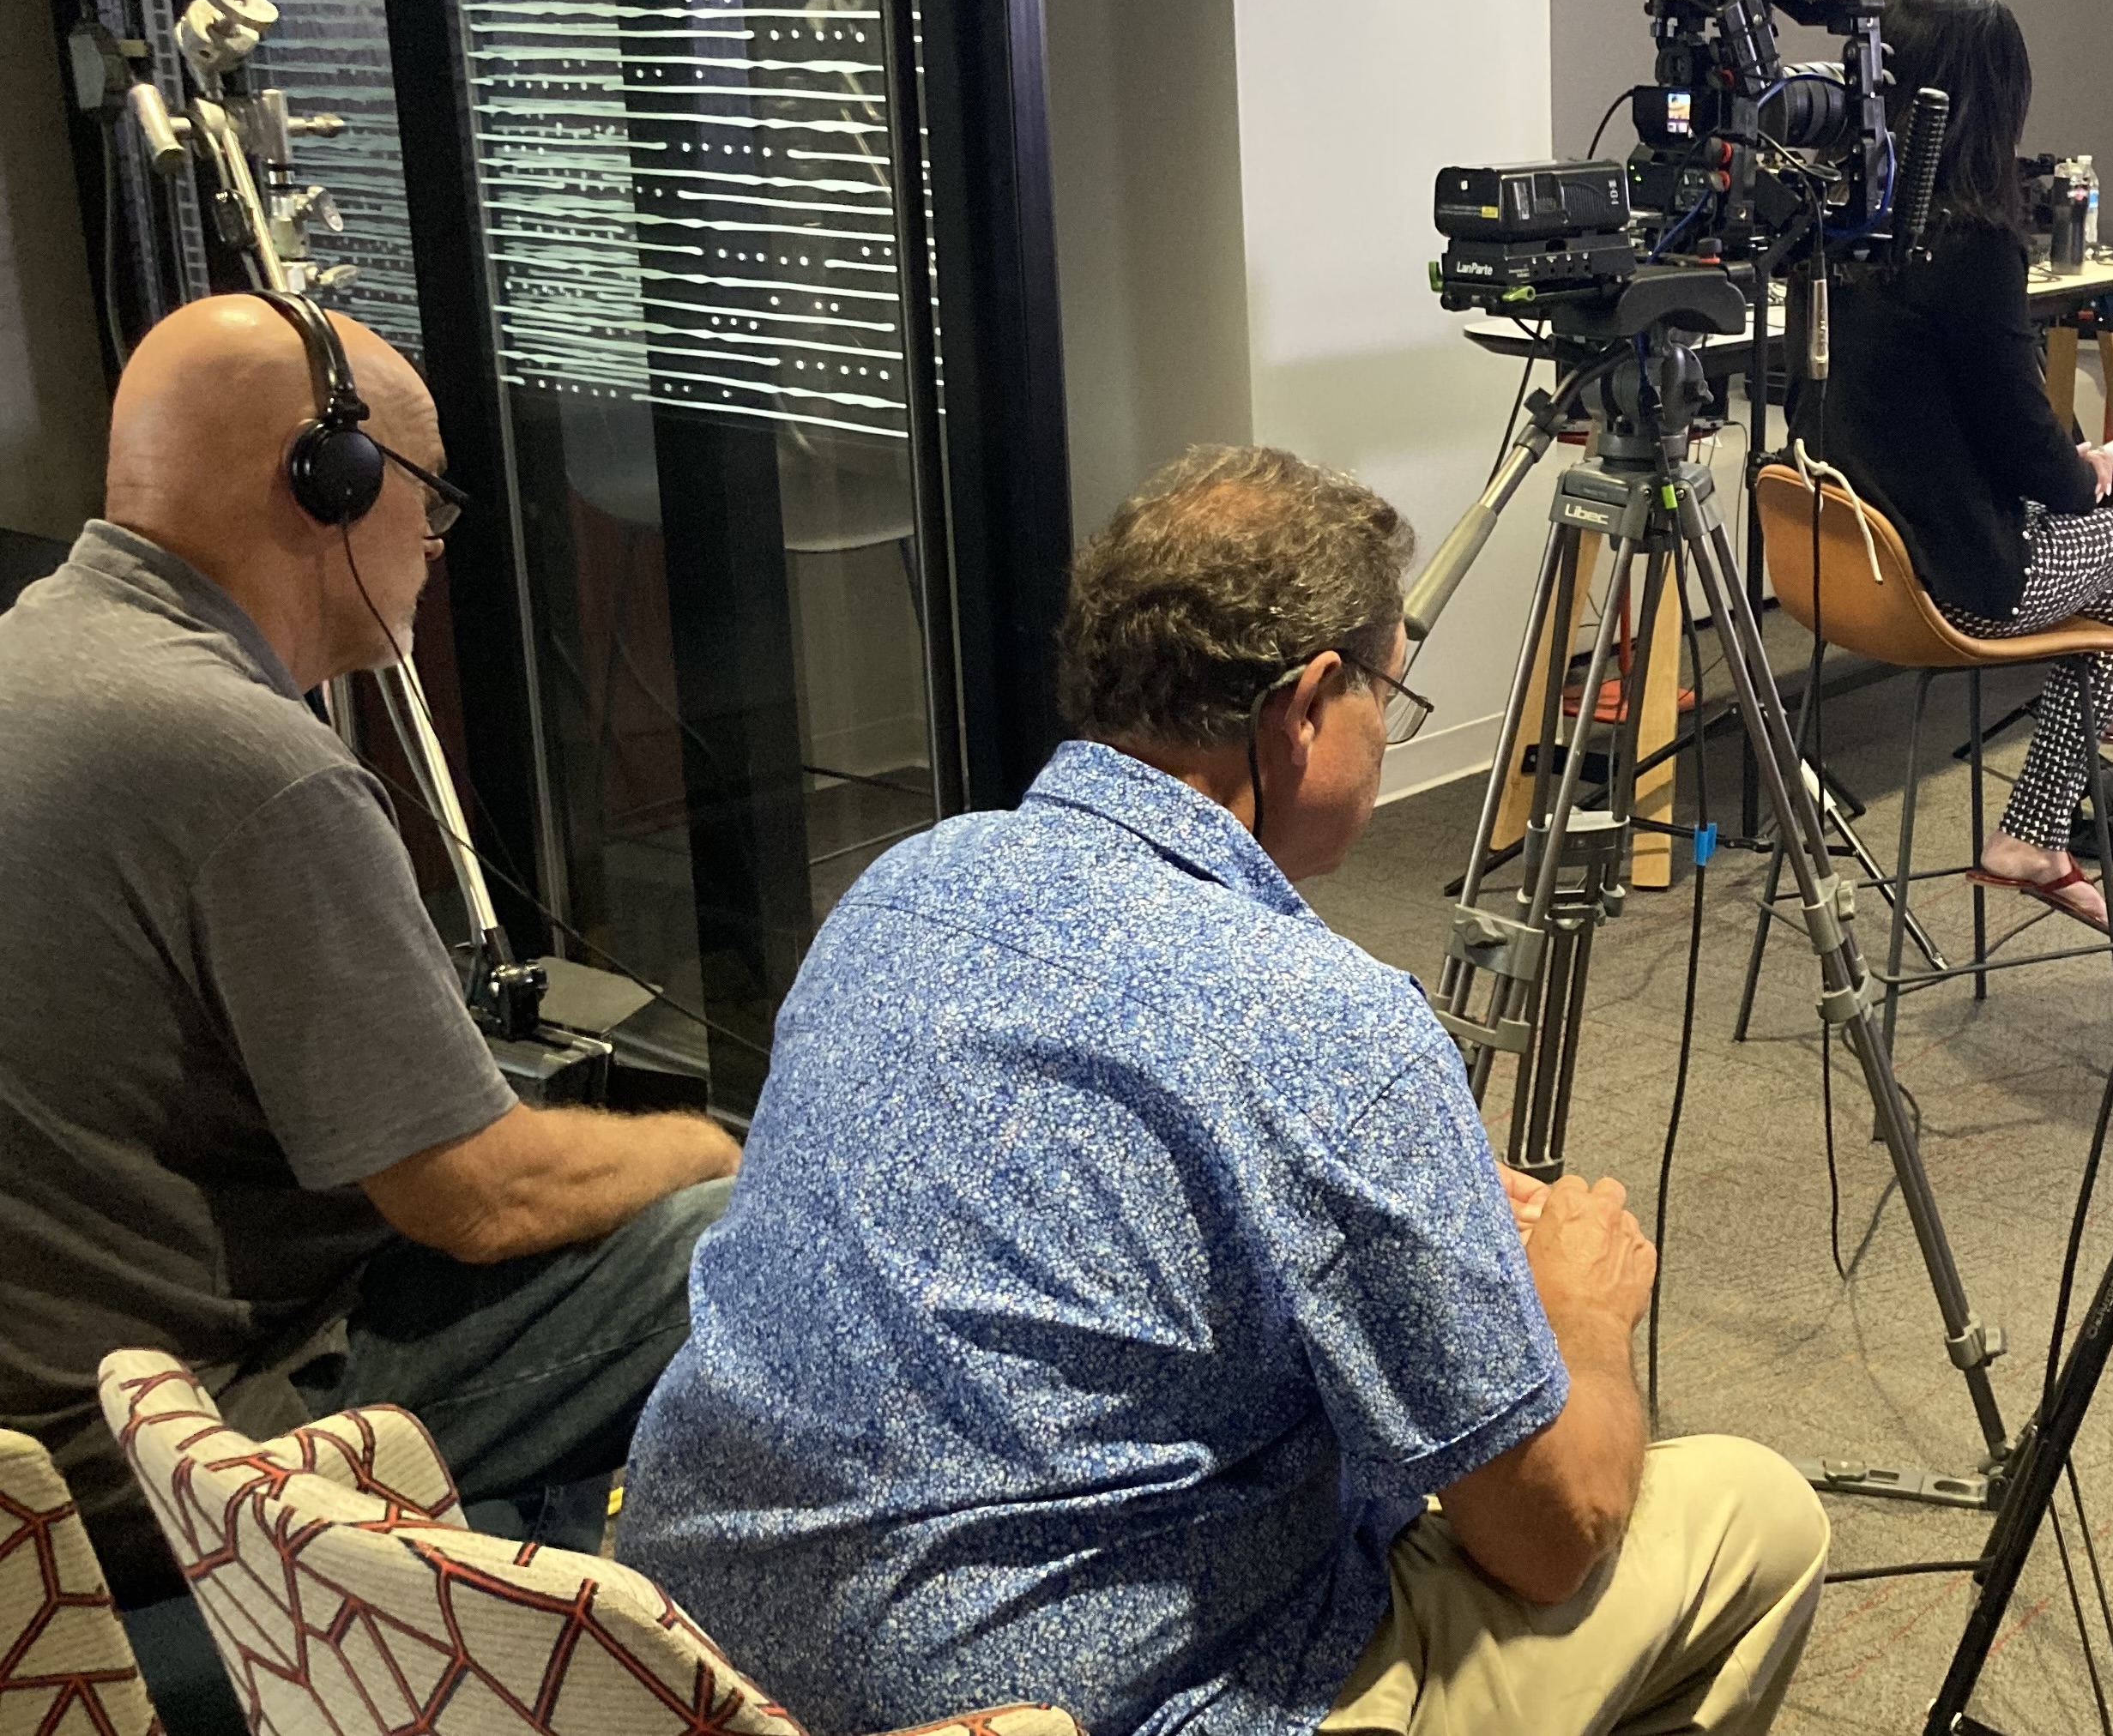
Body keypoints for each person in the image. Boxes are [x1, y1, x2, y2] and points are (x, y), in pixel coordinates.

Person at [619, 449, 1828, 1736]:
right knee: (1756, 1516)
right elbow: (1550, 1535)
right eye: (1387, 695)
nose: (1386, 731)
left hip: (691, 1665)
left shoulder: (902, 886)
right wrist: (1579, 1317)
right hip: (1053, 1707)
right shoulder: (1337, 1028)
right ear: (1304, 709)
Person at [0, 294, 744, 1612]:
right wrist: (715, 1147)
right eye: (427, 492)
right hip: (177, 1457)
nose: (436, 540)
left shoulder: (33, 649)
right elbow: (475, 1199)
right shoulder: (249, 765)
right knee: (752, 1245)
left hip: (46, 1431)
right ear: (328, 481)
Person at [1820, 0, 2113, 928]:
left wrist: (2071, 469)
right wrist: (2101, 473)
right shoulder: (1975, 247)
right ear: (1994, 102)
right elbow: (2033, 459)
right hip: (1960, 583)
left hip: (1858, 564)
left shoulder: (1844, 232)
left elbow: (1957, 415)